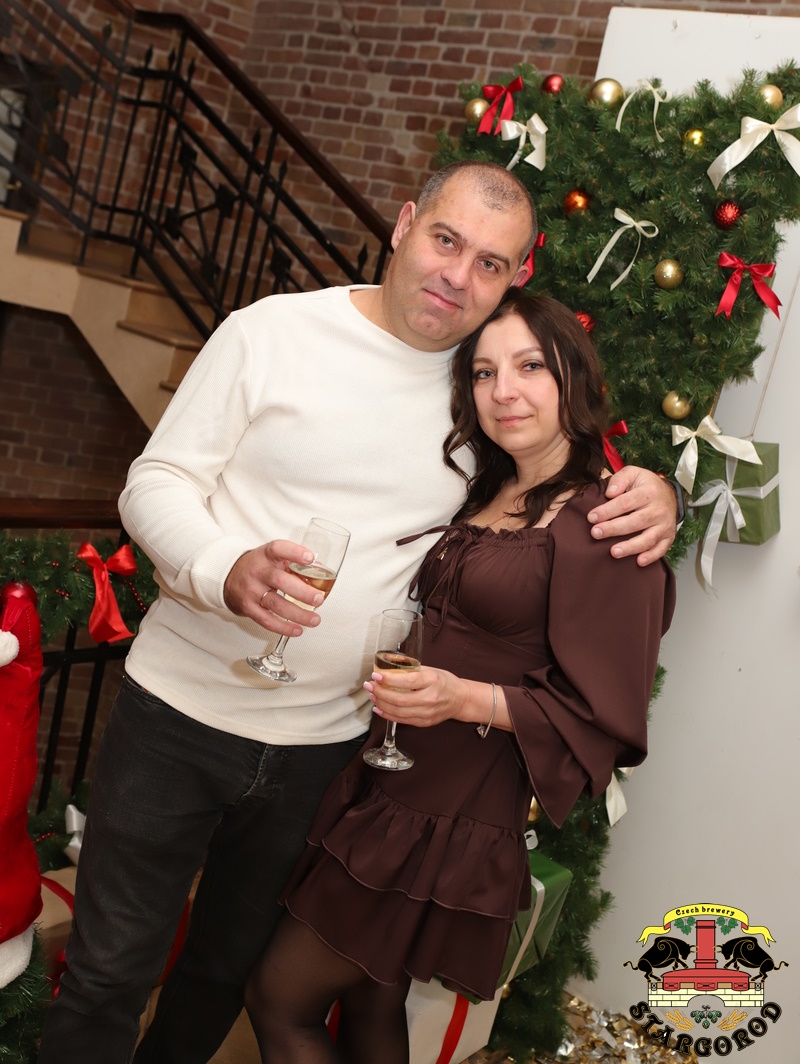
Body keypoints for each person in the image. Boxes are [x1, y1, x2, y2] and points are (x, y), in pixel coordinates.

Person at [38, 161, 678, 1064]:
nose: (457, 275)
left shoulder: (483, 390)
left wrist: (654, 491)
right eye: (445, 240)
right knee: (110, 973)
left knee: (221, 975)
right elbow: (156, 482)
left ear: (516, 277)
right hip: (177, 717)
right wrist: (223, 569)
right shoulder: (272, 332)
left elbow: (557, 478)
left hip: (329, 752)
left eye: (490, 263)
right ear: (405, 224)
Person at [244, 289, 676, 1063]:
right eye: (483, 372)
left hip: (451, 809)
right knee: (372, 1004)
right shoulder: (486, 486)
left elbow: (604, 719)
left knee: (280, 1000)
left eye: (529, 366)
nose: (503, 390)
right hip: (392, 779)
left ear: (574, 377)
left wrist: (461, 698)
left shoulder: (605, 521)